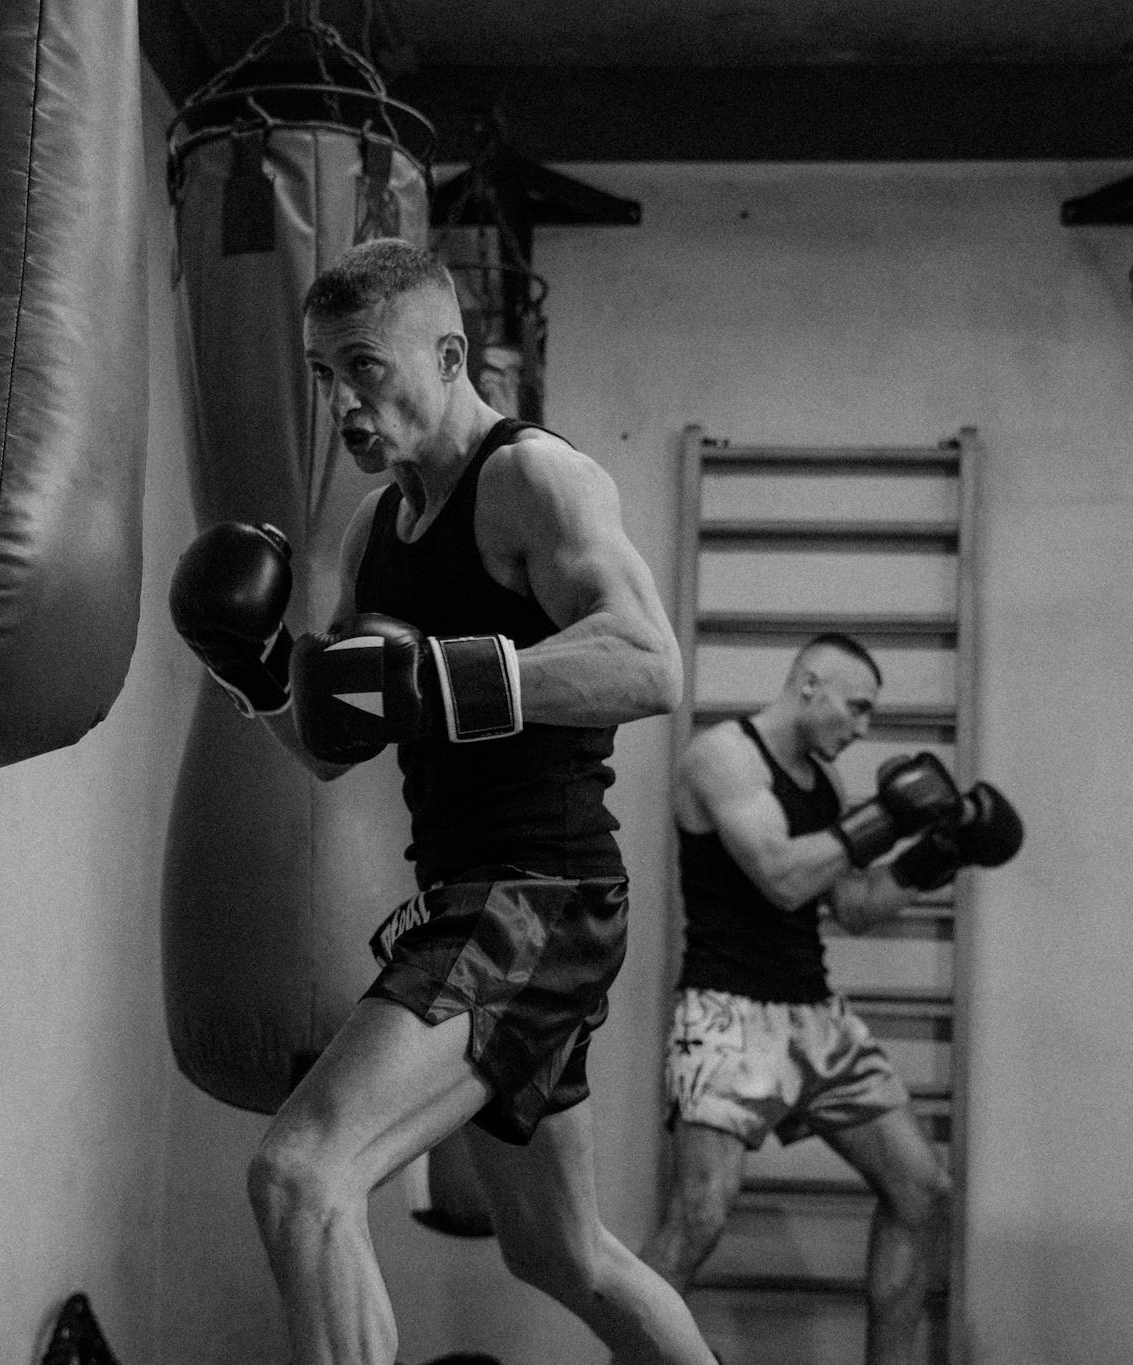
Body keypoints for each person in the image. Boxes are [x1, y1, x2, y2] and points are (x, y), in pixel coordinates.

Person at [168, 237, 719, 1365]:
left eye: (364, 368)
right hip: (472, 897)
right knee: (562, 1254)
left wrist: (450, 675)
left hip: (535, 899)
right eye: (324, 377)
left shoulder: (532, 479)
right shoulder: (378, 530)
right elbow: (333, 746)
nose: (343, 406)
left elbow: (648, 664)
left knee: (299, 1173)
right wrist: (251, 665)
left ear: (449, 353)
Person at [635, 636, 1022, 1365]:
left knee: (922, 1189)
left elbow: (852, 904)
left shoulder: (825, 785)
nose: (864, 726)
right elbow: (780, 874)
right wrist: (884, 817)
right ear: (810, 684)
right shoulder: (723, 756)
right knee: (699, 1216)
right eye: (859, 704)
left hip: (813, 1013)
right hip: (727, 1013)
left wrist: (942, 851)